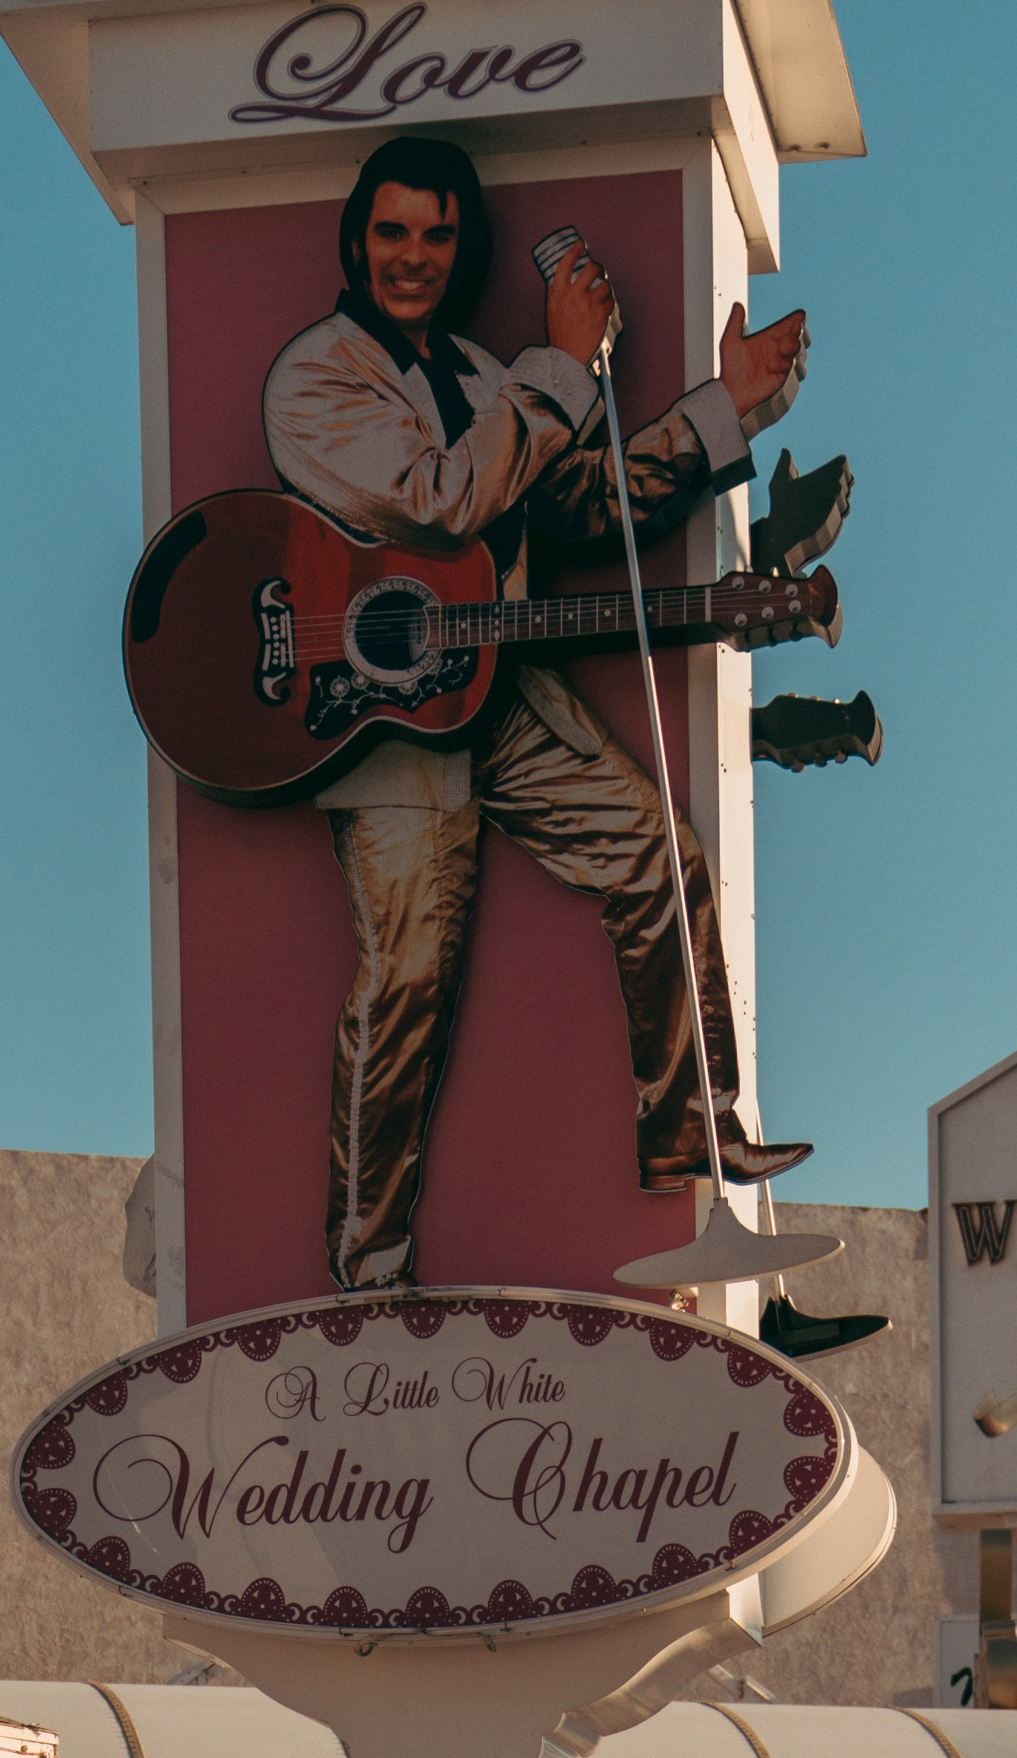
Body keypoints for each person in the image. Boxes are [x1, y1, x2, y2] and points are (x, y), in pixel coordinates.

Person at [262, 131, 817, 1295]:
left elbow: (580, 508)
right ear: (356, 243)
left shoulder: (479, 370)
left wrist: (730, 410)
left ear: (461, 250)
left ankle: (690, 1133)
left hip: (494, 681)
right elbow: (439, 503)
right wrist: (562, 364)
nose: (412, 256)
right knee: (407, 976)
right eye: (392, 232)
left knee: (658, 852)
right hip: (372, 710)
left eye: (437, 235)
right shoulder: (317, 375)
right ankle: (366, 1270)